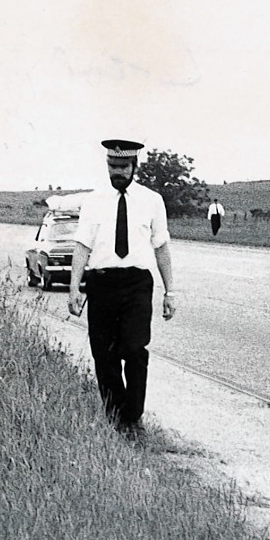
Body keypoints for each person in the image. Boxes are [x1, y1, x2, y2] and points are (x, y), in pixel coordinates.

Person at [68, 139, 177, 434]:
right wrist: (74, 288)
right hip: (101, 282)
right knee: (104, 354)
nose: (117, 172)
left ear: (134, 167)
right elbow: (81, 246)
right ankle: (116, 419)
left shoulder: (152, 200)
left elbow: (162, 247)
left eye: (123, 167)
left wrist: (170, 292)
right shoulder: (93, 201)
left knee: (135, 348)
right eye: (112, 166)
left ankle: (133, 416)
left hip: (137, 284)